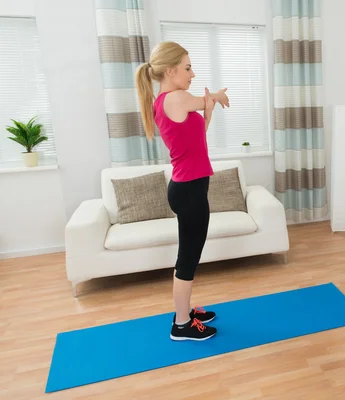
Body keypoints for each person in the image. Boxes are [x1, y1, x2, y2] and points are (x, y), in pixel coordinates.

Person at [135, 41, 230, 341]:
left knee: (187, 256)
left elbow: (196, 138)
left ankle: (185, 313)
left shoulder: (170, 102)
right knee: (188, 260)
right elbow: (205, 99)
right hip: (189, 191)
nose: (192, 73)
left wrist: (210, 107)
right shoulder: (176, 98)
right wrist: (217, 97)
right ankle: (181, 325)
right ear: (170, 70)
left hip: (187, 187)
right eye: (188, 68)